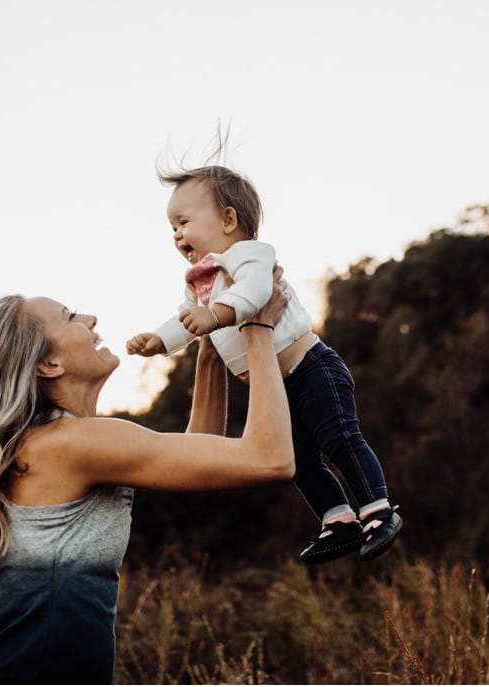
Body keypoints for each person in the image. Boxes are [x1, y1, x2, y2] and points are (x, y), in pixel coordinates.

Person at [0, 276, 293, 685]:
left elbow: (202, 453)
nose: (91, 318)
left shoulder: (48, 444)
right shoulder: (74, 444)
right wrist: (257, 328)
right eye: (70, 317)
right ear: (48, 364)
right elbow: (271, 460)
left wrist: (211, 353)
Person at [127, 164, 402, 565]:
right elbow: (185, 319)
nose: (178, 235)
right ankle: (338, 519)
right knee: (298, 461)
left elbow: (256, 293)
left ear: (228, 219)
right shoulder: (201, 281)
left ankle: (377, 509)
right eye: (172, 228)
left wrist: (215, 315)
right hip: (275, 386)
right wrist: (160, 340)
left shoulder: (249, 255)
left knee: (340, 438)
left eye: (184, 222)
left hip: (311, 368)